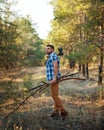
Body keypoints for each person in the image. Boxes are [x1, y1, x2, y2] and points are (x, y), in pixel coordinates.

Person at [45, 44, 68, 120]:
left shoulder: (53, 55)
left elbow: (56, 66)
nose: (47, 50)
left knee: (54, 95)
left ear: (52, 49)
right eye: (46, 49)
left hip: (54, 78)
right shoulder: (52, 56)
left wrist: (54, 77)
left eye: (48, 48)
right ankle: (55, 112)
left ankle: (63, 111)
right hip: (52, 78)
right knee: (55, 95)